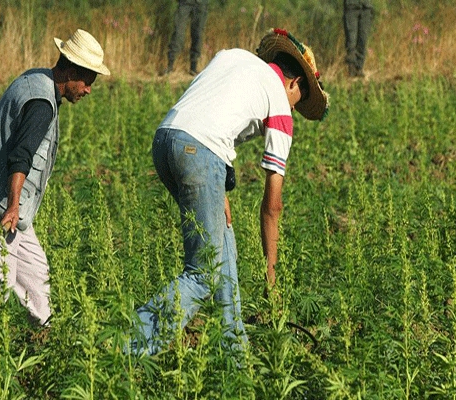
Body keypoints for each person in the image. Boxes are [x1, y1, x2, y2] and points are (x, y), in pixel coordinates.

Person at [128, 28, 329, 356]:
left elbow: (208, 113)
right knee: (202, 273)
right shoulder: (279, 102)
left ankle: (235, 358)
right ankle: (123, 348)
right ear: (295, 84)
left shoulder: (233, 57)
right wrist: (271, 279)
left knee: (224, 252)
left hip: (165, 140)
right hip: (200, 153)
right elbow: (272, 206)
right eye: (298, 101)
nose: (293, 110)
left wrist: (218, 188)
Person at [0, 29, 110, 326]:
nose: (88, 89)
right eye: (87, 81)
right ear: (71, 70)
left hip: (9, 205)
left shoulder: (38, 79)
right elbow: (21, 155)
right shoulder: (41, 103)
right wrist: (13, 205)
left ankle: (44, 333)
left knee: (36, 273)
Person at [163, 0, 209, 76]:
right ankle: (170, 66)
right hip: (185, 3)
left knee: (198, 34)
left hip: (201, 3)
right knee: (178, 33)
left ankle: (193, 68)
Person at [343, 0, 374, 77]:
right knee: (351, 40)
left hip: (366, 7)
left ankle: (359, 68)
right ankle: (351, 69)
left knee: (363, 39)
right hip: (351, 7)